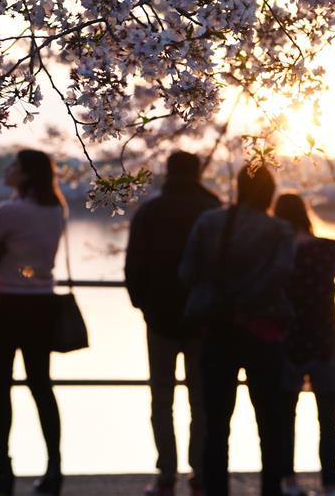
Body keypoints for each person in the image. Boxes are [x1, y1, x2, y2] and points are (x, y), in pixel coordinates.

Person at [179, 164, 295, 496]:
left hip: (218, 331)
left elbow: (186, 272)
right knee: (270, 423)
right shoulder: (279, 230)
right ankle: (271, 489)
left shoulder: (209, 222)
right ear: (270, 192)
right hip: (264, 333)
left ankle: (216, 489)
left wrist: (222, 298)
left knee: (216, 424)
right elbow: (283, 273)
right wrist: (249, 300)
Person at [0, 150, 67, 496]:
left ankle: (4, 470)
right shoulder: (57, 210)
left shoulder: (10, 211)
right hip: (41, 306)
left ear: (25, 174)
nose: (7, 169)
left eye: (14, 165)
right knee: (42, 387)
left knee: (0, 389)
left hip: (5, 307)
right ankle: (54, 468)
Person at [125, 151, 220, 496]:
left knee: (161, 398)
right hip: (203, 320)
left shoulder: (150, 211)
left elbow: (133, 266)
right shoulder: (213, 210)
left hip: (160, 317)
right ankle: (200, 471)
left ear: (167, 172)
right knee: (202, 400)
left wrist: (143, 305)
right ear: (197, 173)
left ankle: (166, 473)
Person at [273, 193, 335, 496]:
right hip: (325, 341)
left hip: (289, 342)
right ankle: (330, 486)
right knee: (328, 422)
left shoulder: (279, 256)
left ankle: (289, 483)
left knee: (286, 418)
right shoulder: (330, 249)